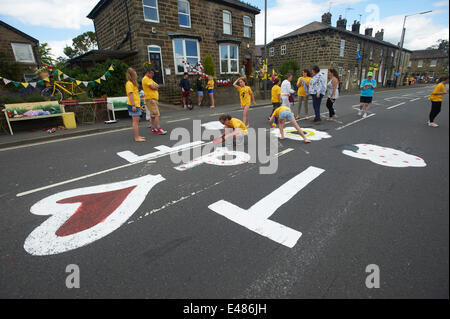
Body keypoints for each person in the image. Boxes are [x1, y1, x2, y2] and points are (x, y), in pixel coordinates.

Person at [142, 69, 167, 135]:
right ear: (147, 73)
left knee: (152, 115)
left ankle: (153, 128)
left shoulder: (150, 79)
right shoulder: (145, 79)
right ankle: (159, 129)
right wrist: (155, 87)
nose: (153, 75)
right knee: (156, 114)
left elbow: (157, 85)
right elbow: (153, 87)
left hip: (153, 99)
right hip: (151, 99)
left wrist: (155, 86)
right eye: (152, 73)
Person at [125, 67, 145, 142]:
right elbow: (130, 95)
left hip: (136, 105)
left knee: (137, 121)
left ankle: (137, 136)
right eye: (135, 73)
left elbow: (136, 95)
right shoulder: (129, 84)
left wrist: (139, 104)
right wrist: (133, 105)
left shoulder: (133, 83)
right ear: (132, 74)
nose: (136, 74)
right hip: (133, 105)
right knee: (135, 122)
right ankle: (136, 137)